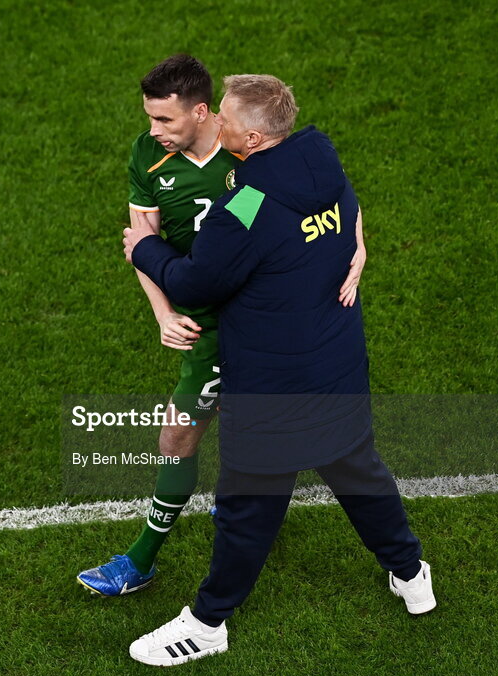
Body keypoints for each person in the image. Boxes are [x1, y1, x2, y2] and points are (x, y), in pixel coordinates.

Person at [122, 74, 434, 666]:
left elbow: (198, 280)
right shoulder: (322, 159)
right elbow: (349, 211)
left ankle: (208, 623)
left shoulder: (249, 202)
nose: (217, 126)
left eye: (228, 122)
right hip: (336, 366)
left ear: (256, 137)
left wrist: (145, 248)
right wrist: (358, 245)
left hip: (274, 383)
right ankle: (411, 573)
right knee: (359, 474)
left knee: (247, 505)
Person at [77, 56, 367, 597]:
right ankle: (152, 554)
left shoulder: (244, 150)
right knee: (186, 435)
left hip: (256, 317)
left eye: (165, 120)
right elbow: (141, 242)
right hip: (203, 319)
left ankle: (175, 557)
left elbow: (328, 187)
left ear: (204, 113)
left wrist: (359, 242)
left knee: (252, 432)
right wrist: (163, 312)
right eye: (149, 118)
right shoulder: (148, 156)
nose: (153, 131)